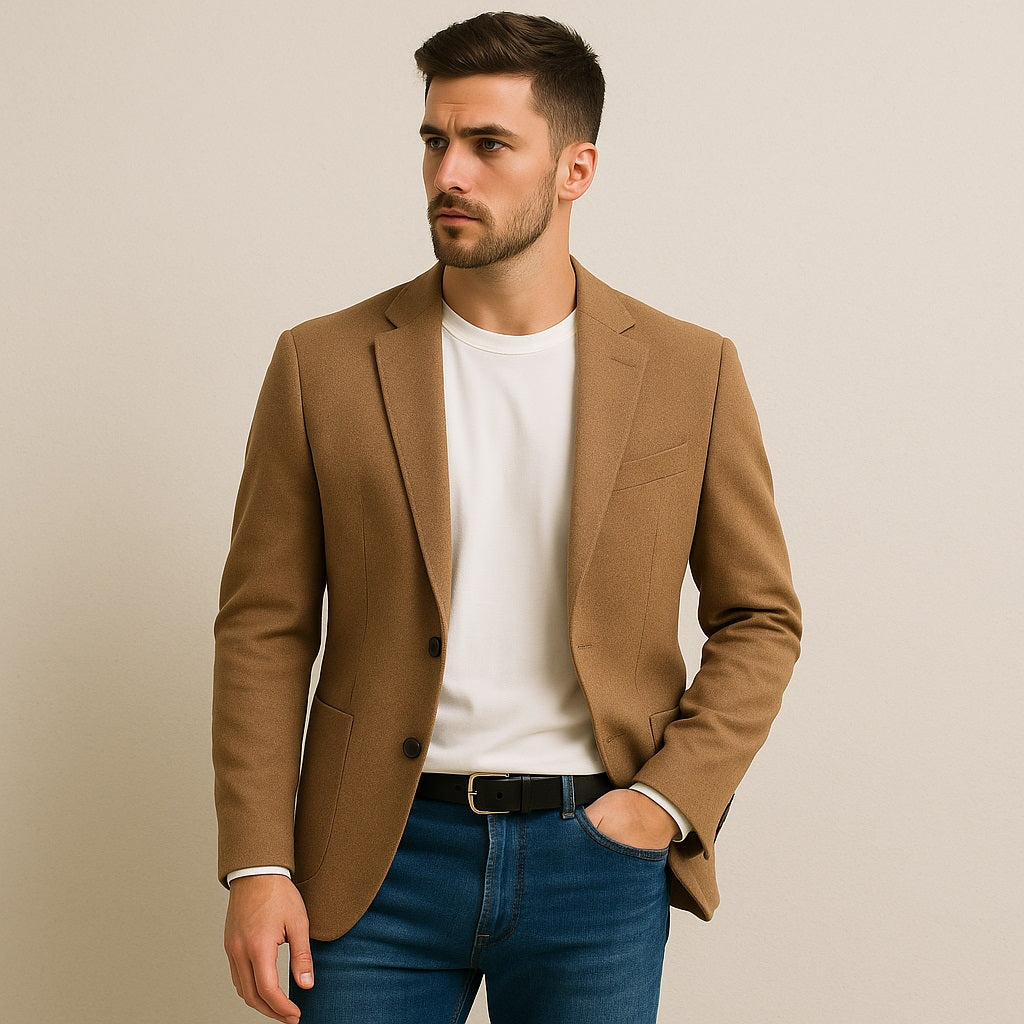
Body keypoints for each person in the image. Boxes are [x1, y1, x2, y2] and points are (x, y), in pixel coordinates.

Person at [213, 12, 801, 1024]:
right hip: (374, 860)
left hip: (594, 855)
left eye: (488, 145)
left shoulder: (688, 370)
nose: (450, 173)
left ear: (575, 170)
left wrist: (662, 802)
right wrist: (258, 860)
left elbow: (759, 617)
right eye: (435, 141)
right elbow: (264, 626)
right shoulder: (321, 364)